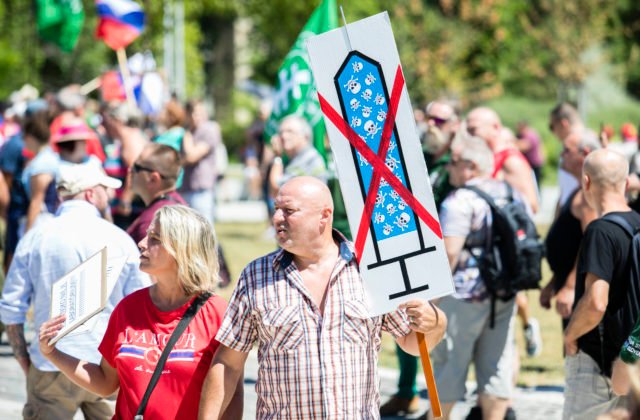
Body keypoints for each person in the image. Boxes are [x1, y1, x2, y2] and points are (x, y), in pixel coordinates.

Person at [199, 176, 447, 419]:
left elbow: (413, 343)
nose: (276, 218)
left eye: (289, 210)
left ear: (324, 216)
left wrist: (435, 321)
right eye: (276, 209)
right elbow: (228, 364)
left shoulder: (369, 268)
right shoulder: (256, 276)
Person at [39, 205, 231, 420]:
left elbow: (231, 394)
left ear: (183, 249)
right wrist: (52, 353)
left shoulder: (216, 313)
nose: (141, 244)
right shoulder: (128, 308)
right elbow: (105, 383)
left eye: (155, 238)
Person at [0, 163, 149, 419]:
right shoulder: (118, 238)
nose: (109, 195)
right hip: (107, 364)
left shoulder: (35, 237)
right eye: (104, 189)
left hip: (50, 362)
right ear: (91, 194)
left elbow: (12, 308)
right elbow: (141, 303)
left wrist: (27, 362)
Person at [428, 136, 525, 420]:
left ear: (471, 165)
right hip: (502, 295)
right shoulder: (509, 191)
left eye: (454, 163)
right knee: (496, 367)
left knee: (449, 365)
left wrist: (432, 300)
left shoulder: (460, 200)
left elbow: (449, 253)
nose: (449, 169)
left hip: (464, 296)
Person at [380, 98, 460, 418]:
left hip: (452, 255)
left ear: (454, 123)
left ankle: (440, 405)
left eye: (440, 120)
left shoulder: (460, 159)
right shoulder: (421, 158)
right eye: (429, 119)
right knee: (407, 319)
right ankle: (407, 391)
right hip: (416, 248)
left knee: (441, 335)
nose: (432, 125)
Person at [563, 149, 640, 419]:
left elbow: (596, 301)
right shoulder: (638, 224)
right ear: (626, 183)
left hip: (600, 364)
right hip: (633, 359)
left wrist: (570, 334)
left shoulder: (600, 231)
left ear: (586, 182)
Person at [465, 106, 542, 359]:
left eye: (474, 128)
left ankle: (502, 391)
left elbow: (530, 205)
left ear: (495, 127)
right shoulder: (485, 156)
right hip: (492, 250)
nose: (469, 133)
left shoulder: (509, 159)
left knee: (507, 322)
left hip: (508, 250)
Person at [126, 142, 232, 287]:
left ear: (153, 178)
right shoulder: (173, 206)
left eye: (137, 167)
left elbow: (154, 281)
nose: (130, 170)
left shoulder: (157, 221)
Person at [540, 129, 600, 329]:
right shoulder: (578, 189)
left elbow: (589, 243)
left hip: (580, 290)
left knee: (578, 350)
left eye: (566, 150)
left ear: (584, 153)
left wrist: (570, 286)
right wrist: (554, 282)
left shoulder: (588, 195)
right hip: (570, 283)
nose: (561, 155)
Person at [180, 100, 224, 223]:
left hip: (202, 187)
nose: (196, 117)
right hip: (187, 186)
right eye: (192, 113)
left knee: (204, 227)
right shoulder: (190, 131)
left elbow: (191, 156)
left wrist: (187, 135)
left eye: (199, 113)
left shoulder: (209, 130)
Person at [268, 116, 328, 197]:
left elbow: (276, 189)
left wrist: (277, 156)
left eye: (290, 131)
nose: (284, 136)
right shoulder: (297, 158)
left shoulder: (309, 159)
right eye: (281, 132)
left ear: (305, 136)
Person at [20, 109, 59, 233]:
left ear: (31, 137)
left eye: (24, 136)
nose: (23, 141)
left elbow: (37, 201)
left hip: (41, 225)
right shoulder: (45, 158)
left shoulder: (42, 164)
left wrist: (27, 235)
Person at [515, 120, 545, 187]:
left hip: (534, 164)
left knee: (534, 185)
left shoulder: (530, 135)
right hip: (531, 164)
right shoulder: (527, 134)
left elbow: (524, 146)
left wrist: (513, 142)